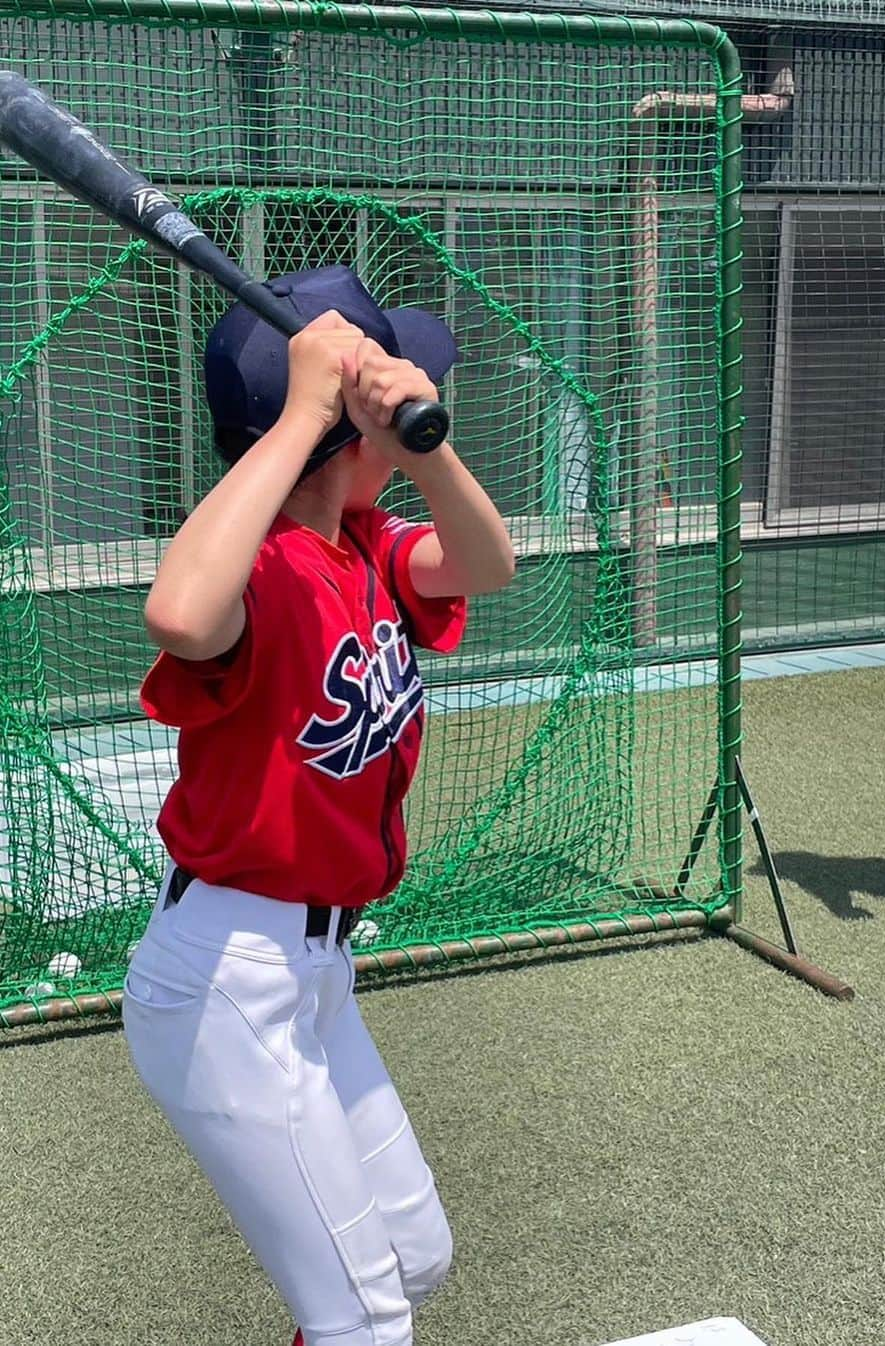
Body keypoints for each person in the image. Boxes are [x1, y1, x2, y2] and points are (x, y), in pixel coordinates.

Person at [122, 264, 515, 1346]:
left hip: (313, 973)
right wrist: (304, 415)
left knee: (414, 1257)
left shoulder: (372, 548)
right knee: (364, 1317)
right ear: (332, 431)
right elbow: (180, 613)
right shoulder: (258, 571)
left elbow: (487, 558)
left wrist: (423, 444)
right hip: (223, 983)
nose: (405, 419)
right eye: (382, 412)